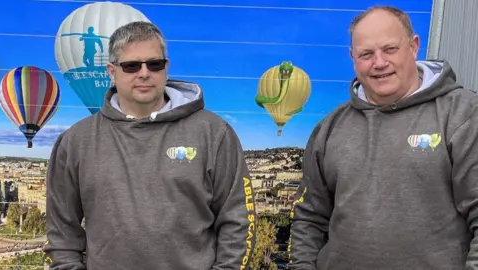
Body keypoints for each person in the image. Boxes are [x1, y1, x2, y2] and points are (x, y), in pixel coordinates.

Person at [44, 21, 257, 270]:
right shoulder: (76, 140)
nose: (144, 73)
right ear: (111, 72)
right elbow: (61, 232)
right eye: (131, 66)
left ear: (166, 68)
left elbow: (238, 220)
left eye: (154, 64)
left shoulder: (213, 132)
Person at [288, 5, 478, 270]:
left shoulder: (463, 114)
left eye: (390, 49)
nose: (379, 63)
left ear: (413, 47)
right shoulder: (330, 128)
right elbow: (309, 219)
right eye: (366, 54)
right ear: (353, 58)